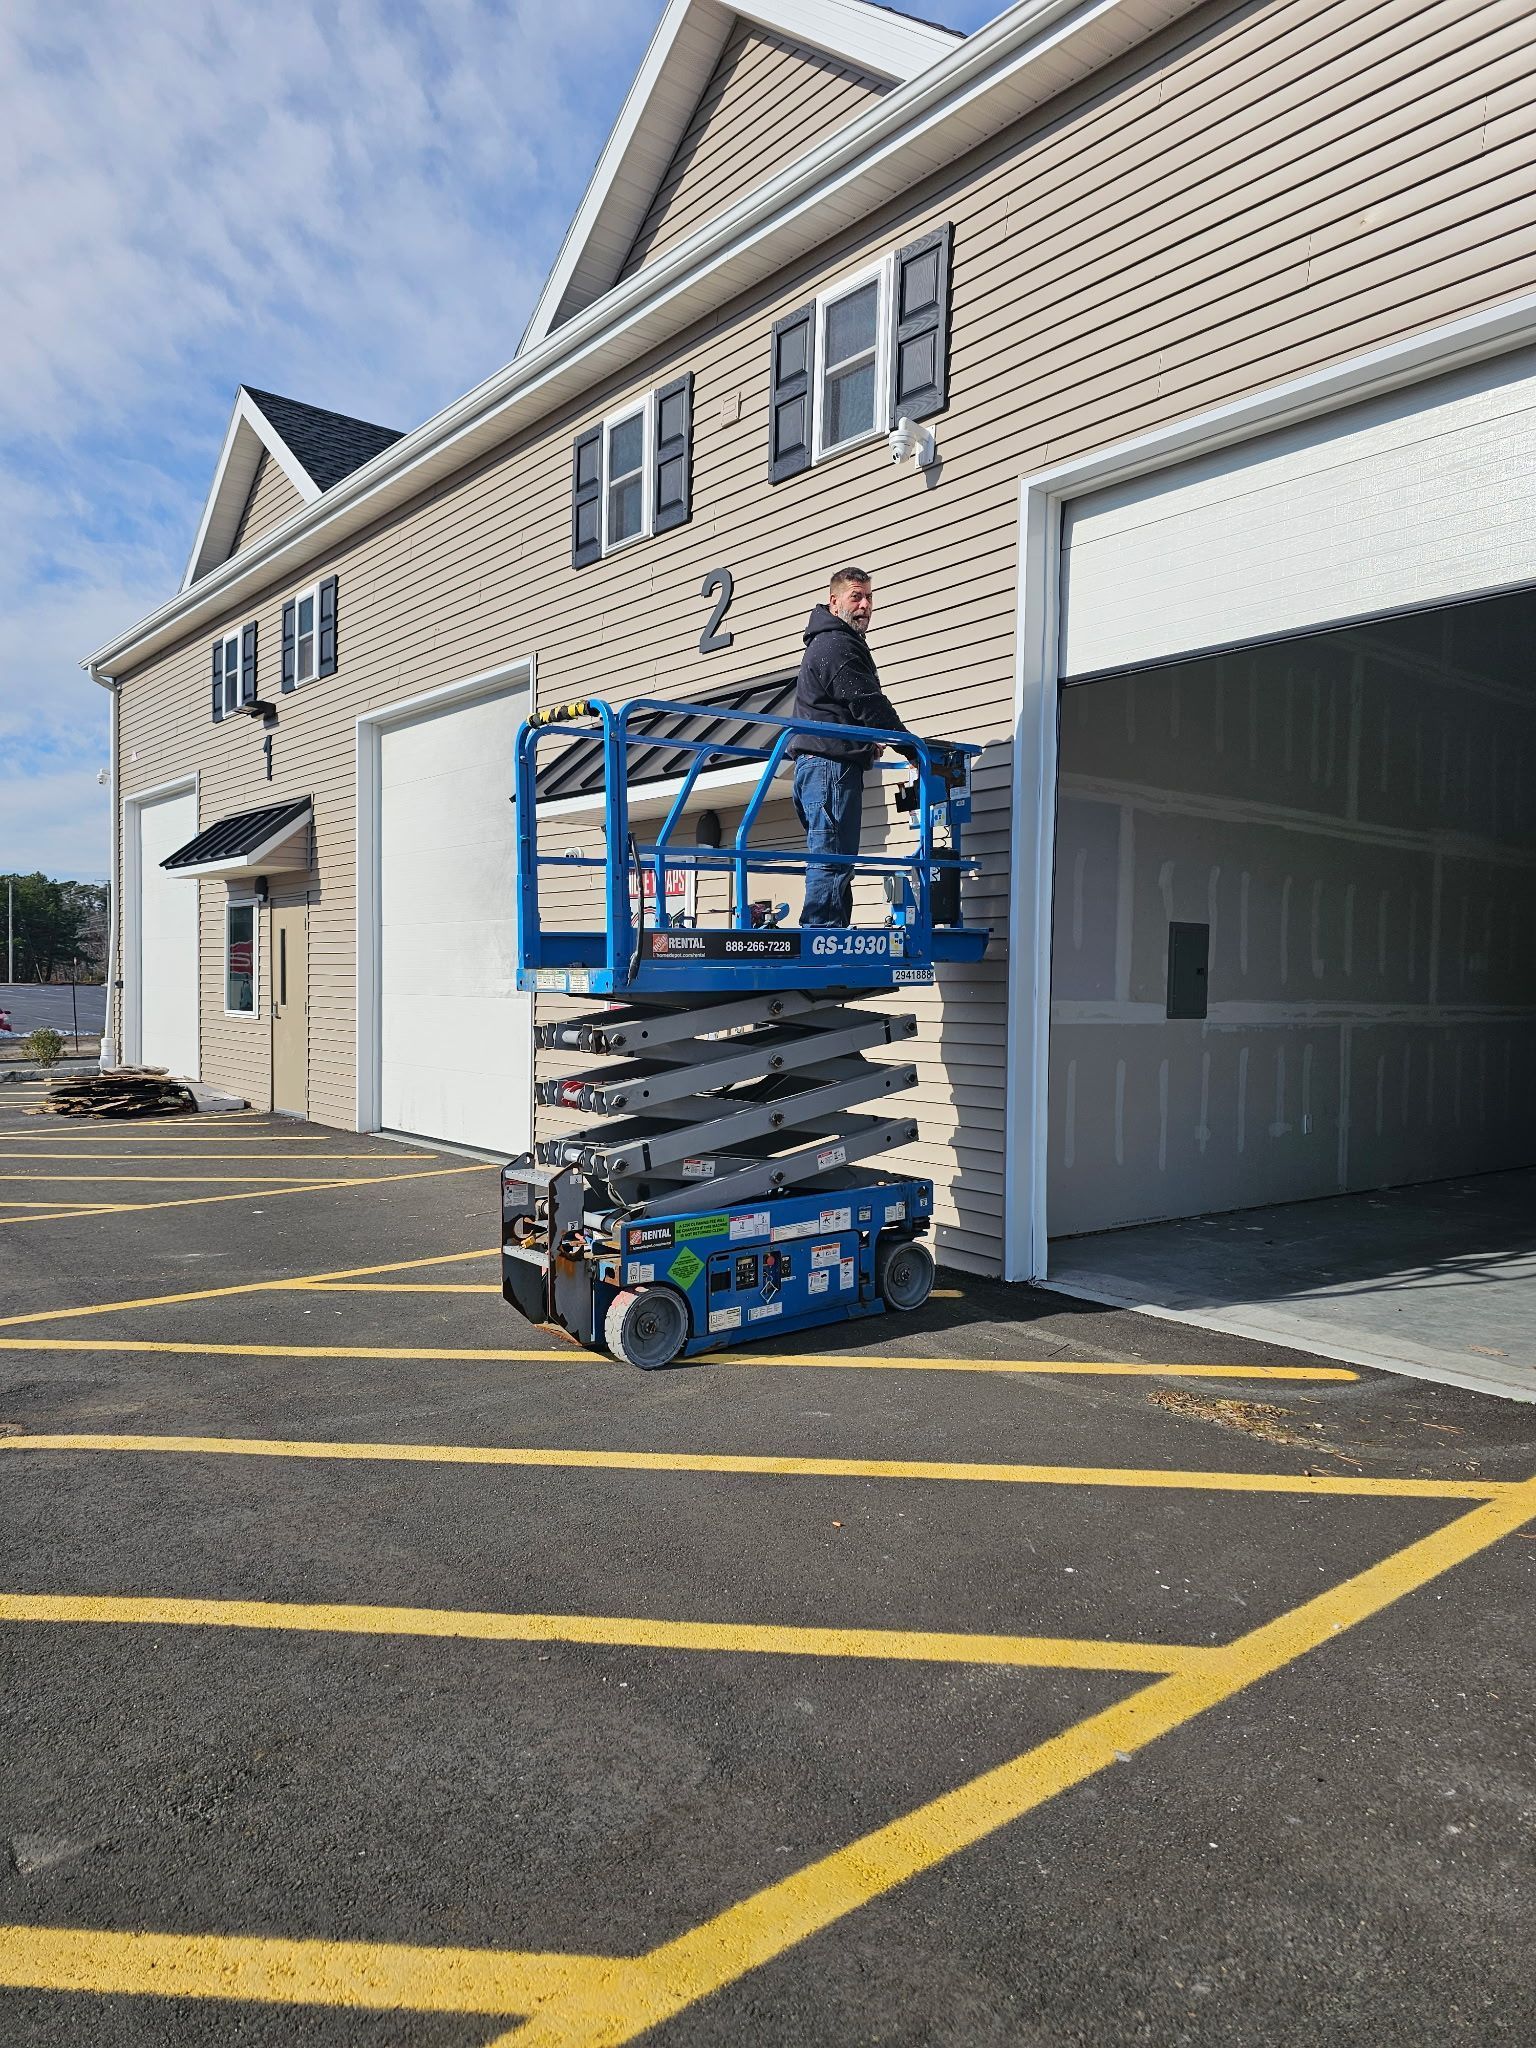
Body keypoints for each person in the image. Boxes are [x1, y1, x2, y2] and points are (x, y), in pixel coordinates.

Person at [789, 566, 903, 927]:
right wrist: (913, 749)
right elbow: (868, 703)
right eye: (856, 596)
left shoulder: (831, 642)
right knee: (832, 859)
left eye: (869, 597)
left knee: (834, 858)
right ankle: (821, 938)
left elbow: (840, 711)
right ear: (834, 601)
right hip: (828, 767)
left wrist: (866, 745)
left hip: (824, 764)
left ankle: (827, 933)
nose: (865, 605)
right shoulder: (836, 644)